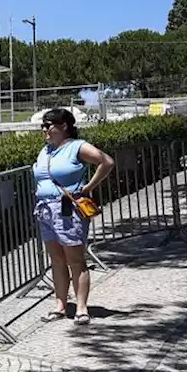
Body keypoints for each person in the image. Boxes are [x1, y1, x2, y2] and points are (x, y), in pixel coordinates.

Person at [34, 108, 115, 325]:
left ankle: (81, 308)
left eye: (48, 124)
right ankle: (60, 304)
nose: (45, 129)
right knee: (57, 260)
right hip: (45, 209)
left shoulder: (77, 147)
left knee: (75, 259)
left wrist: (88, 187)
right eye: (43, 125)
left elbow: (106, 161)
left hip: (67, 208)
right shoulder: (46, 150)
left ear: (64, 126)